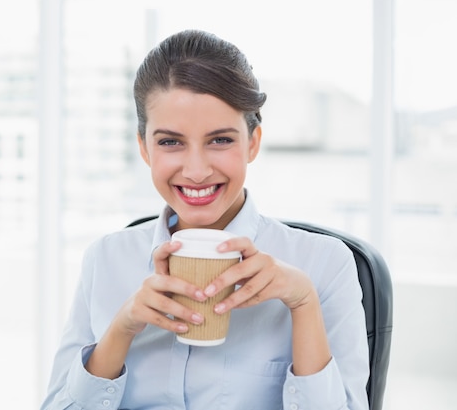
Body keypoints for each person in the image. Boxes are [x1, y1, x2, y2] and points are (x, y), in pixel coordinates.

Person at [41, 29, 369, 410]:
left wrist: (302, 304)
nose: (196, 171)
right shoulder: (105, 259)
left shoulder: (325, 264)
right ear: (144, 148)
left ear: (253, 142)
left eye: (220, 140)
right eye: (169, 142)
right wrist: (122, 328)